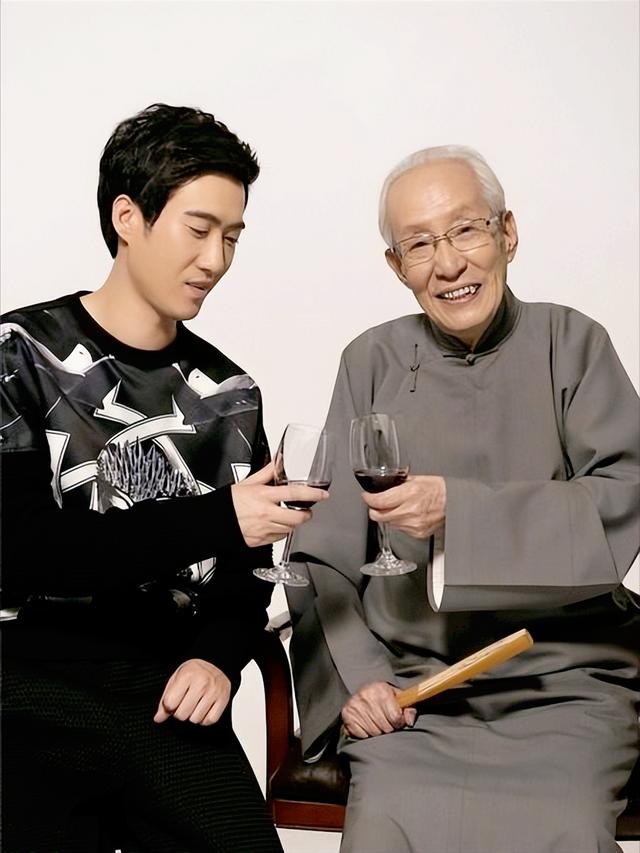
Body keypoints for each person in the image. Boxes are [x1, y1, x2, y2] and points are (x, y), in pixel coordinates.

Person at [286, 145, 639, 853]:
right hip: (414, 695)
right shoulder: (370, 360)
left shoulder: (572, 342)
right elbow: (321, 556)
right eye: (419, 244)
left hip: (564, 686)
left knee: (565, 828)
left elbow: (621, 502)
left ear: (507, 232)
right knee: (384, 826)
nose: (447, 264)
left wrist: (460, 511)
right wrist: (363, 681)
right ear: (397, 266)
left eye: (465, 230)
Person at [0, 103, 328, 853]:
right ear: (128, 217)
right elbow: (18, 549)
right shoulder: (16, 354)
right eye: (199, 229)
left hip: (166, 695)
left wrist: (218, 657)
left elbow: (245, 580)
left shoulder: (230, 394)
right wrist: (220, 516)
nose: (216, 259)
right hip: (26, 689)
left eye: (232, 236)